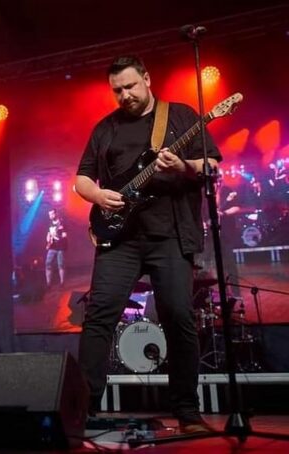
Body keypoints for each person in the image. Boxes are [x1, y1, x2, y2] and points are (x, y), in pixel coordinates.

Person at [75, 56, 220, 432]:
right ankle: (82, 410)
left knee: (178, 317)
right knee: (98, 317)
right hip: (120, 239)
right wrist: (98, 196)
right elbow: (82, 179)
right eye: (117, 90)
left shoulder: (181, 116)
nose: (124, 95)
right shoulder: (105, 128)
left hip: (169, 235)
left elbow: (211, 166)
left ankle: (187, 411)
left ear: (147, 79)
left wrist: (183, 167)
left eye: (130, 86)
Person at [45, 208, 67, 288]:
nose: (50, 216)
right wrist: (48, 239)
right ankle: (48, 284)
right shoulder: (50, 223)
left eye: (52, 214)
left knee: (60, 264)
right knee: (48, 263)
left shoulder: (62, 223)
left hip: (60, 247)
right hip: (52, 247)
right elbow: (48, 234)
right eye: (49, 214)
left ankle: (62, 283)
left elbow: (64, 235)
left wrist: (59, 236)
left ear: (56, 213)